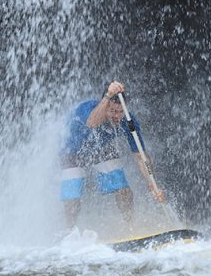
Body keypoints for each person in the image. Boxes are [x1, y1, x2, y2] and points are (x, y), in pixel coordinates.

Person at [60, 80, 165, 230]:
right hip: (72, 152)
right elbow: (92, 123)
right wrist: (108, 95)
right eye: (113, 112)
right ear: (105, 106)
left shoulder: (128, 121)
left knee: (124, 190)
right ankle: (70, 232)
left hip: (99, 150)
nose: (117, 116)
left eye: (121, 111)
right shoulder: (88, 108)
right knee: (72, 196)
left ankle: (131, 226)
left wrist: (152, 183)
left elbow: (141, 156)